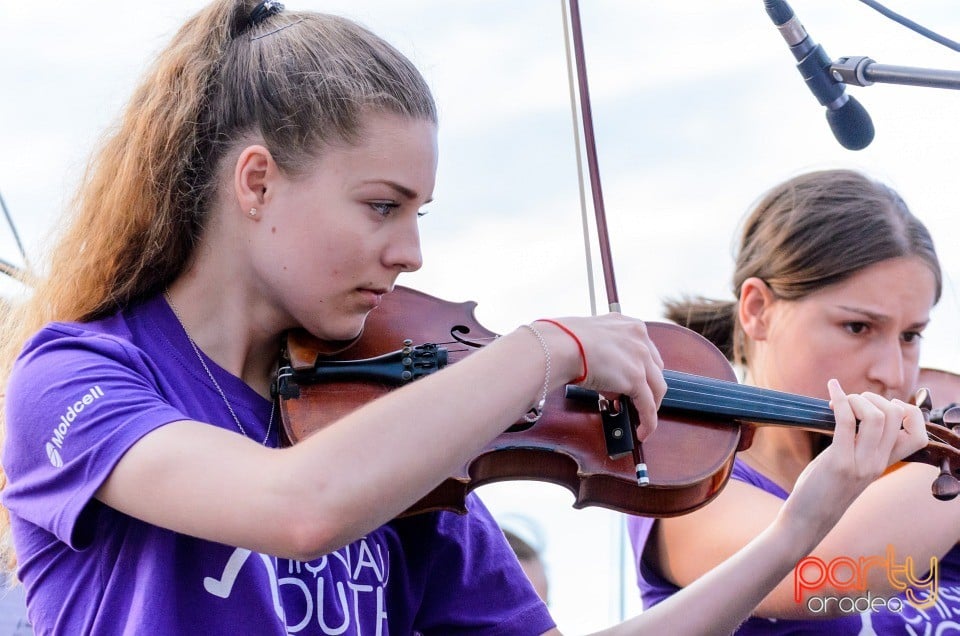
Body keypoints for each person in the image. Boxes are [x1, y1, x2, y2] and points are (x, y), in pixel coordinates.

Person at [0, 3, 926, 634]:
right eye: (381, 206)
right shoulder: (78, 377)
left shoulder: (391, 425)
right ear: (256, 182)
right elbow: (295, 505)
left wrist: (801, 529)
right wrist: (543, 349)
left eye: (420, 215)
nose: (411, 252)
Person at [628, 168, 960, 634]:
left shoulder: (914, 484)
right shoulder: (688, 486)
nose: (893, 373)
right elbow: (834, 572)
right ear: (757, 310)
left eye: (910, 336)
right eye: (858, 327)